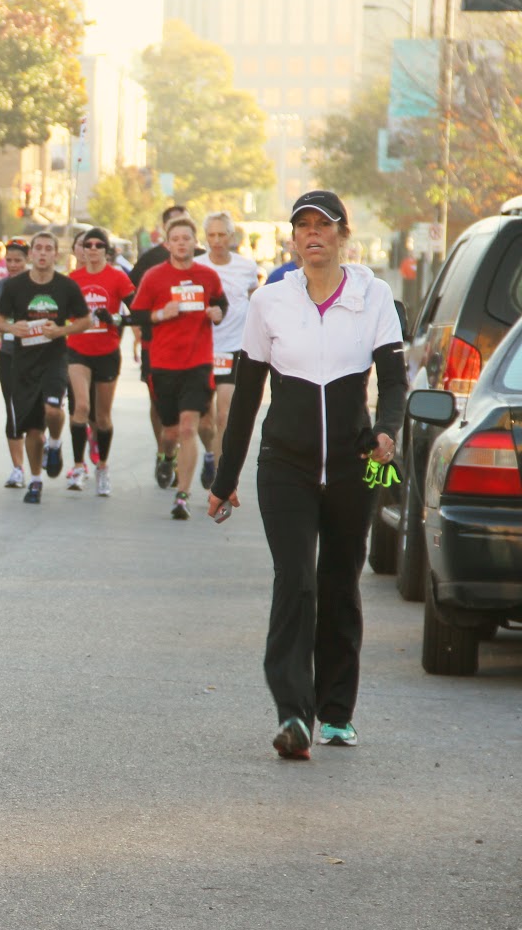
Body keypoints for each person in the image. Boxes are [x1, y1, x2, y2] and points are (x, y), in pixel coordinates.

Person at [208, 190, 406, 760]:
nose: (313, 234)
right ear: (292, 239)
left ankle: (337, 711)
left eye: (324, 225)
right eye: (303, 226)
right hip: (285, 465)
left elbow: (393, 381)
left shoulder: (375, 296)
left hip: (360, 465)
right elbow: (246, 399)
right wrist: (224, 480)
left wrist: (387, 433)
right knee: (295, 579)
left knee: (341, 582)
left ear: (343, 235)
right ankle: (293, 713)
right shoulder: (270, 302)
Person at [129, 217, 227, 520]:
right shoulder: (154, 277)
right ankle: (165, 455)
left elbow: (221, 303)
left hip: (197, 364)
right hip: (163, 365)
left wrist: (217, 313)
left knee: (188, 427)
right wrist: (160, 314)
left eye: (187, 238)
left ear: (193, 243)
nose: (182, 243)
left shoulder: (207, 276)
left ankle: (182, 495)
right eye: (176, 238)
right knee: (170, 431)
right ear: (168, 244)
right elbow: (138, 315)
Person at [0, 231, 91, 505]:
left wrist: (62, 330)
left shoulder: (66, 286)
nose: (44, 253)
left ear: (56, 254)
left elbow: (86, 320)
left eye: (49, 248)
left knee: (53, 409)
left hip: (54, 359)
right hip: (23, 363)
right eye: (39, 248)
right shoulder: (15, 287)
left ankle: (55, 444)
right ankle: (35, 481)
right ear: (32, 254)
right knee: (33, 429)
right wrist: (13, 327)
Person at [64, 228, 134, 497]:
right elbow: (60, 312)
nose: (92, 249)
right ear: (82, 250)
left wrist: (115, 319)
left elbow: (137, 309)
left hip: (107, 352)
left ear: (107, 250)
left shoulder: (117, 278)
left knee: (103, 417)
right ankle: (79, 466)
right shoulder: (73, 279)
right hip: (77, 350)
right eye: (88, 245)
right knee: (81, 406)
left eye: (98, 245)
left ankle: (102, 468)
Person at [200, 212, 261, 489]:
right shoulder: (197, 266)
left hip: (233, 348)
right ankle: (210, 453)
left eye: (221, 235)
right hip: (201, 350)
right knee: (204, 421)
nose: (216, 241)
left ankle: (218, 474)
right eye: (211, 235)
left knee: (224, 414)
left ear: (231, 237)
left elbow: (254, 298)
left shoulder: (247, 268)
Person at [130, 203, 189, 487]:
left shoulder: (201, 261)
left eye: (185, 226)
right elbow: (132, 298)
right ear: (166, 231)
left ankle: (179, 455)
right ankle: (164, 449)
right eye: (174, 227)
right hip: (155, 342)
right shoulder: (150, 260)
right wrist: (141, 329)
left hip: (192, 345)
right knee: (159, 401)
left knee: (189, 404)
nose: (180, 233)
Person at [0, 239, 30, 487]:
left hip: (37, 358)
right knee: (13, 410)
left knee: (35, 411)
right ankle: (18, 469)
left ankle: (39, 455)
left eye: (18, 261)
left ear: (27, 260)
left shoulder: (39, 285)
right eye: (9, 260)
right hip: (9, 355)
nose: (12, 265)